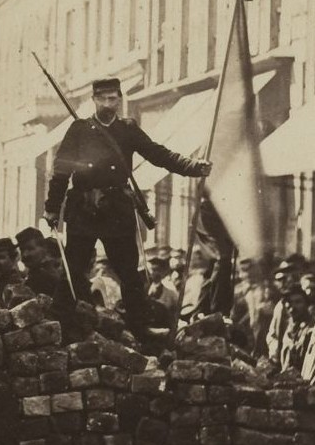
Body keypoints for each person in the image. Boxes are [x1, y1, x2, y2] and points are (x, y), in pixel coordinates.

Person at [46, 77, 208, 320]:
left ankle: (140, 327)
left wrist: (193, 167)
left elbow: (158, 154)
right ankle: (59, 321)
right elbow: (61, 170)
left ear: (120, 99)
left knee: (130, 274)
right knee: (73, 269)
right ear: (94, 100)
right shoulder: (79, 129)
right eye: (103, 98)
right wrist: (52, 208)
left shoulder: (128, 129)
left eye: (114, 98)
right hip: (84, 209)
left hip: (115, 212)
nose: (109, 103)